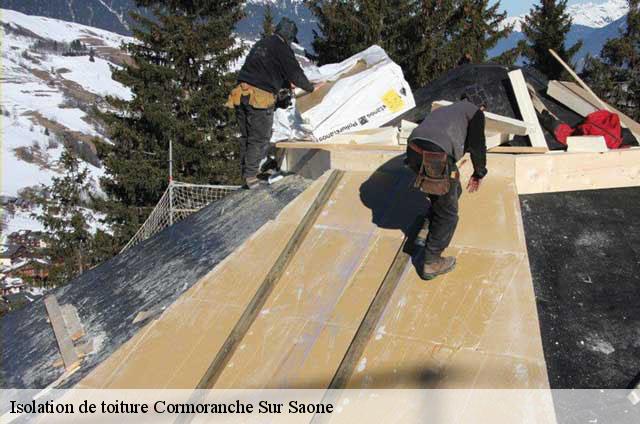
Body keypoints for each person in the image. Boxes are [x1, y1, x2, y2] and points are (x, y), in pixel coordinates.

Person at [226, 18, 321, 189]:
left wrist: (283, 88)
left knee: (247, 136)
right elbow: (295, 74)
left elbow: (268, 71)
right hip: (258, 97)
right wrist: (311, 88)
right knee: (260, 137)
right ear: (289, 37)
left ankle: (247, 174)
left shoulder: (263, 44)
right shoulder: (282, 48)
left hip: (240, 93)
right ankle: (251, 176)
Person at [406, 97, 487, 280]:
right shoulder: (475, 112)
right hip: (435, 156)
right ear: (481, 106)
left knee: (453, 190)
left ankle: (426, 230)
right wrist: (479, 172)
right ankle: (431, 261)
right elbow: (477, 145)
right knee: (448, 213)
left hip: (413, 149)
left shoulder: (446, 110)